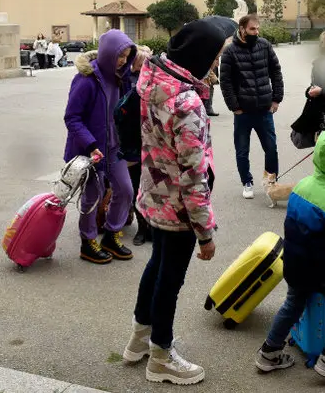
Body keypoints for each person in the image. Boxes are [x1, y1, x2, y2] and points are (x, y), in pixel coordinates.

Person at [121, 20, 226, 385]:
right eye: (216, 55)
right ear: (202, 54)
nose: (217, 62)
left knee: (157, 266)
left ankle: (140, 338)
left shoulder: (152, 80)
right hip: (178, 205)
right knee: (170, 279)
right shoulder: (186, 102)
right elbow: (194, 175)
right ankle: (161, 355)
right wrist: (206, 232)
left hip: (153, 196)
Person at [254, 130, 325, 384]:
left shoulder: (302, 186)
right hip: (324, 272)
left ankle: (268, 353)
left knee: (293, 305)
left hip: (295, 265)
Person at [64, 29, 137, 264]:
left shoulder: (121, 77)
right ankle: (88, 242)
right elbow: (72, 118)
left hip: (115, 149)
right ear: (107, 53)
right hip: (91, 151)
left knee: (125, 190)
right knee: (92, 198)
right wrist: (90, 144)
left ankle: (111, 234)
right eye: (120, 55)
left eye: (127, 56)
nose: (123, 60)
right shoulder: (86, 80)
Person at [219, 14, 284, 200]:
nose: (256, 32)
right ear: (242, 29)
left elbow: (276, 72)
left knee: (271, 148)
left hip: (265, 109)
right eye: (252, 29)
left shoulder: (264, 45)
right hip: (243, 112)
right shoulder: (230, 52)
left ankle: (271, 182)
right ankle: (247, 182)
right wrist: (234, 107)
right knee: (242, 150)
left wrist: (276, 99)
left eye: (257, 29)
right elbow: (226, 82)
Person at [127, 45, 153, 246]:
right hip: (132, 140)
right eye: (141, 61)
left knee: (150, 186)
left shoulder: (154, 79)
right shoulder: (126, 80)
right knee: (136, 185)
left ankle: (151, 227)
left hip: (150, 139)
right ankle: (142, 228)